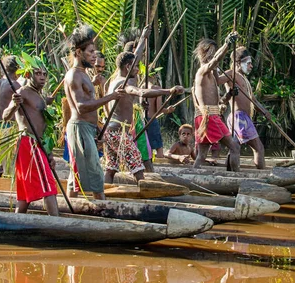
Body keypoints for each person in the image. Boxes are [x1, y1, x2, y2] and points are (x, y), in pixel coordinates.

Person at [64, 24, 127, 200]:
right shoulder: (74, 75)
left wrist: (97, 127)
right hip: (80, 128)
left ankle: (73, 208)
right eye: (90, 52)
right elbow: (81, 106)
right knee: (94, 173)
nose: (94, 56)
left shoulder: (83, 74)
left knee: (76, 175)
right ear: (78, 52)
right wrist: (111, 96)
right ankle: (101, 208)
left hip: (87, 128)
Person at [105, 48, 183, 182]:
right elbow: (140, 92)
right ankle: (144, 193)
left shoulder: (113, 81)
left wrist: (143, 38)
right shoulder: (123, 83)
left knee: (111, 168)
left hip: (111, 131)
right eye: (135, 66)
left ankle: (104, 196)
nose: (138, 70)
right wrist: (168, 91)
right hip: (119, 133)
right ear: (128, 66)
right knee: (138, 165)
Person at [2, 62, 59, 216]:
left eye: (44, 74)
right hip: (29, 143)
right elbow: (5, 115)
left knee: (24, 196)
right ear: (28, 75)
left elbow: (45, 127)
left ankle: (17, 221)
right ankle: (57, 223)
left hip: (40, 144)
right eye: (38, 73)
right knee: (48, 185)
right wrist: (15, 104)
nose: (42, 77)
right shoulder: (23, 92)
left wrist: (50, 154)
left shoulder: (40, 95)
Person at [192, 33, 241, 171]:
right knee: (234, 147)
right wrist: (227, 44)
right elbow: (214, 60)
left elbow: (219, 100)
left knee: (201, 155)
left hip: (207, 116)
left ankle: (193, 176)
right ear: (204, 53)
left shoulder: (211, 76)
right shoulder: (202, 71)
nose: (215, 58)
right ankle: (236, 178)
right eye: (212, 53)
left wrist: (229, 94)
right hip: (209, 117)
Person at [222, 46, 271, 169]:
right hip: (239, 118)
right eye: (248, 63)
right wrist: (229, 93)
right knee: (258, 148)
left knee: (234, 146)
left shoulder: (245, 80)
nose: (251, 66)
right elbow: (219, 85)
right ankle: (261, 175)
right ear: (238, 63)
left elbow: (253, 100)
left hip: (242, 118)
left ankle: (230, 173)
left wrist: (264, 111)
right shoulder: (232, 74)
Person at [145, 74, 176, 160]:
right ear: (153, 77)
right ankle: (159, 165)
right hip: (151, 120)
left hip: (140, 121)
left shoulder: (139, 87)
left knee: (146, 144)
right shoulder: (156, 89)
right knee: (159, 147)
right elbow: (159, 109)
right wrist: (168, 110)